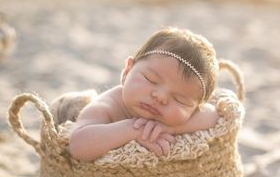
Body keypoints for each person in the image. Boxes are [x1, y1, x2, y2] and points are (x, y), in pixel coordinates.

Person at [68, 27, 220, 161]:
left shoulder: (174, 121)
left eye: (180, 100)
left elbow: (212, 115)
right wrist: (134, 129)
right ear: (128, 71)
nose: (161, 97)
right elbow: (77, 145)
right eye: (151, 80)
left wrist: (169, 129)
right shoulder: (109, 105)